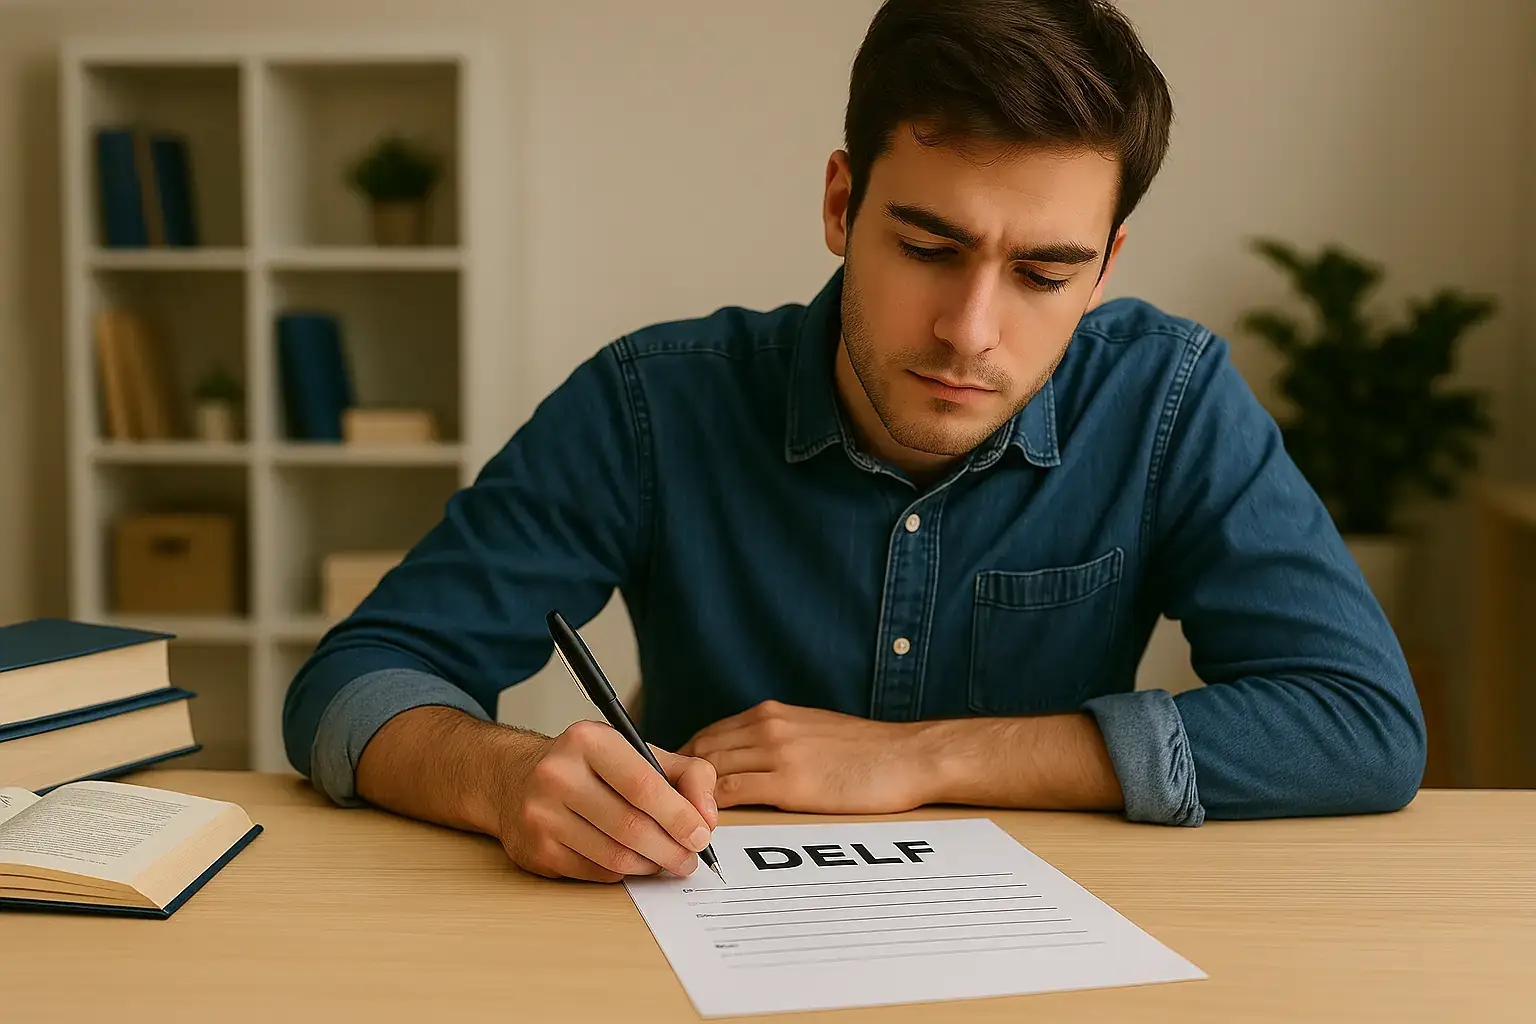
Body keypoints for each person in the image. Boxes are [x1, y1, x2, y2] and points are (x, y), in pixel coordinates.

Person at [282, 0, 1426, 884]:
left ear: (1105, 270)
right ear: (841, 205)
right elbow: (351, 682)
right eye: (928, 248)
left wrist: (924, 756)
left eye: (1044, 273)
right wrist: (506, 776)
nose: (970, 331)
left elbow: (1360, 723)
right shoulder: (652, 404)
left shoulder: (1168, 402)